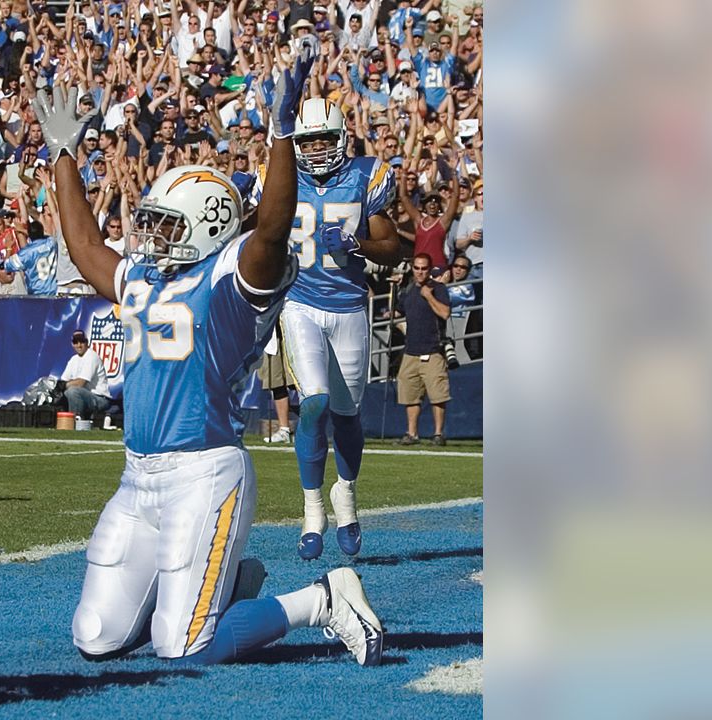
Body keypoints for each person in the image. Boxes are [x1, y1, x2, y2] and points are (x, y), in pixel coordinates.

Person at [33, 37, 384, 669]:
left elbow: (273, 228)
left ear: (207, 224)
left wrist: (281, 132)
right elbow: (84, 244)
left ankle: (324, 599)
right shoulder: (144, 276)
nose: (151, 233)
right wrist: (64, 154)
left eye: (167, 222)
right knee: (95, 636)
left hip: (206, 473)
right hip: (137, 476)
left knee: (185, 646)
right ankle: (216, 588)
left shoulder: (231, 281)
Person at [267, 97, 400, 560]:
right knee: (314, 402)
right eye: (308, 140)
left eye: (324, 137)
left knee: (346, 415)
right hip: (300, 302)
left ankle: (346, 495)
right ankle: (312, 508)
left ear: (341, 137)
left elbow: (393, 245)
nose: (317, 148)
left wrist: (357, 243)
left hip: (349, 308)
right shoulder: (284, 179)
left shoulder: (366, 177)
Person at [395, 252, 452, 446]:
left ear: (430, 270)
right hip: (411, 350)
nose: (420, 272)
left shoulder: (438, 288)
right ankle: (412, 433)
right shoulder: (409, 289)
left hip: (433, 349)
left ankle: (438, 433)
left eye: (423, 268)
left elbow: (445, 313)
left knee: (438, 395)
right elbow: (397, 312)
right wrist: (392, 289)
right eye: (416, 268)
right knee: (410, 394)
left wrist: (429, 297)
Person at [61, 330, 111, 421]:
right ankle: (62, 422)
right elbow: (63, 380)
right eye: (76, 342)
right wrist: (59, 387)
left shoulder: (91, 356)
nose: (79, 345)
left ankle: (76, 422)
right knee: (61, 394)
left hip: (99, 399)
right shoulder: (73, 359)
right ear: (72, 344)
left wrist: (64, 385)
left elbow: (81, 383)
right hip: (86, 396)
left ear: (87, 342)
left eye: (82, 342)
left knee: (72, 391)